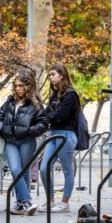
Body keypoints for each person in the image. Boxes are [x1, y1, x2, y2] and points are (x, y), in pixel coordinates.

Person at [0, 69, 48, 216]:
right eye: (16, 85)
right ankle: (28, 202)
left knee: (24, 173)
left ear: (28, 86)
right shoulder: (10, 101)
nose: (17, 89)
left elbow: (43, 123)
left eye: (21, 86)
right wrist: (3, 130)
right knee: (16, 169)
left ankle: (19, 204)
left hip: (27, 142)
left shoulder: (35, 103)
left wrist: (29, 131)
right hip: (11, 141)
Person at [39, 64, 79, 213]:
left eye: (53, 74)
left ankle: (65, 203)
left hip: (66, 134)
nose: (50, 77)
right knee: (44, 168)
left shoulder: (71, 94)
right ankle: (50, 201)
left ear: (62, 75)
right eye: (50, 75)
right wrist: (47, 118)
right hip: (53, 134)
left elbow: (60, 115)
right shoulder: (55, 95)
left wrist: (48, 118)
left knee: (67, 170)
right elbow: (46, 114)